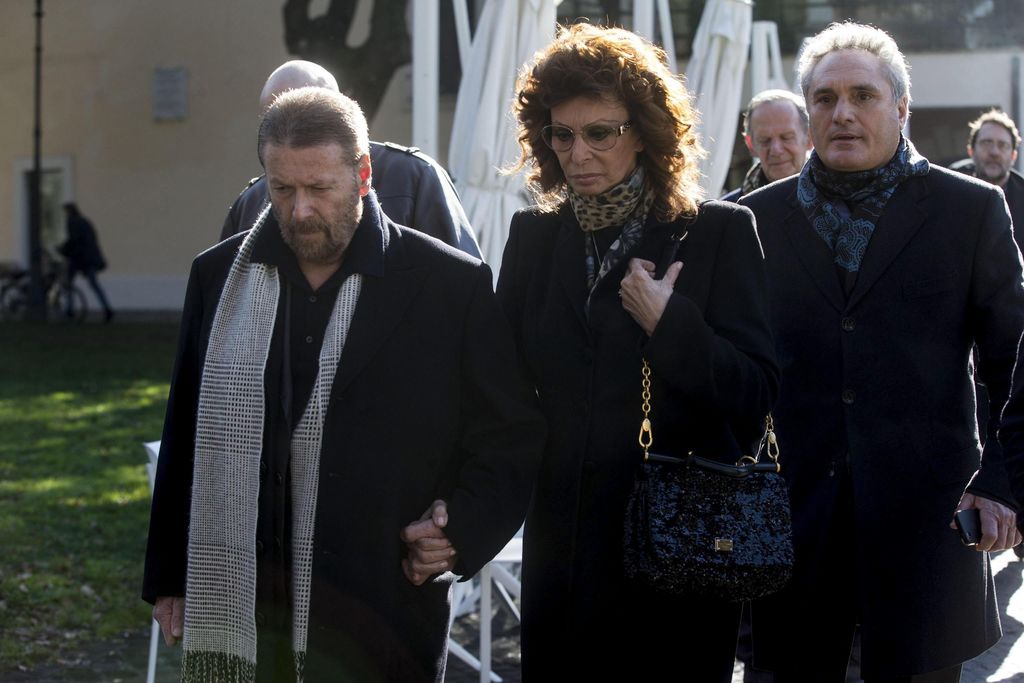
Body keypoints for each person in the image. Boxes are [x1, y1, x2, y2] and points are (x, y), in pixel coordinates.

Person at [142, 87, 544, 682]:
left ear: (363, 175)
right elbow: (185, 431)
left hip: (382, 604)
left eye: (319, 188)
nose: (300, 210)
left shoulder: (448, 284)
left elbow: (509, 435)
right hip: (245, 603)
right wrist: (169, 575)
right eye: (282, 189)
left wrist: (459, 529)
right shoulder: (216, 277)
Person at [739, 22, 1024, 682]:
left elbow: (1013, 361)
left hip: (927, 531)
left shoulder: (969, 211)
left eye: (863, 96)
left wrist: (1002, 483)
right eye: (825, 98)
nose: (842, 113)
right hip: (791, 536)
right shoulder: (755, 219)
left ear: (901, 107)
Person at [497, 23, 779, 681]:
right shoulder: (533, 236)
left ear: (645, 132)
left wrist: (670, 323)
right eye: (561, 135)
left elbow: (757, 393)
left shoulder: (717, 232)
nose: (578, 153)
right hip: (562, 553)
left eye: (601, 132)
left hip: (675, 551)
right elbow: (501, 392)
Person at [219, 59, 481, 258]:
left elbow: (458, 285)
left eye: (311, 112)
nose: (292, 126)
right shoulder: (251, 202)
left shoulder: (413, 176)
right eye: (276, 117)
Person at [722, 89, 812, 201]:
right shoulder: (731, 208)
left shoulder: (832, 196)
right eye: (765, 140)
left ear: (809, 138)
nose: (776, 150)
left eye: (786, 137)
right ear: (750, 145)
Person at [951, 108, 1023, 242]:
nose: (994, 152)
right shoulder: (950, 188)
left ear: (1013, 156)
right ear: (971, 150)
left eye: (1003, 145)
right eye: (986, 143)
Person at [59, 202, 114, 322]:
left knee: (68, 282)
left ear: (69, 212)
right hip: (90, 258)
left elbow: (74, 240)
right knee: (94, 284)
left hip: (79, 258)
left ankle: (69, 309)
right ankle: (107, 308)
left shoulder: (71, 222)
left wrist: (63, 249)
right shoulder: (85, 221)